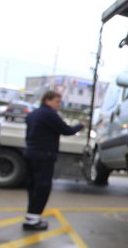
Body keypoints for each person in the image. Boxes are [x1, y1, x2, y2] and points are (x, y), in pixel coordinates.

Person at [23, 91, 83, 230]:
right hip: (44, 156)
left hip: (30, 153)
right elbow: (66, 130)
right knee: (42, 187)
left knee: (32, 187)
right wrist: (80, 126)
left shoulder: (33, 114)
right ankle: (33, 220)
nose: (59, 104)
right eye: (57, 101)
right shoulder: (49, 114)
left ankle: (30, 217)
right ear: (47, 100)